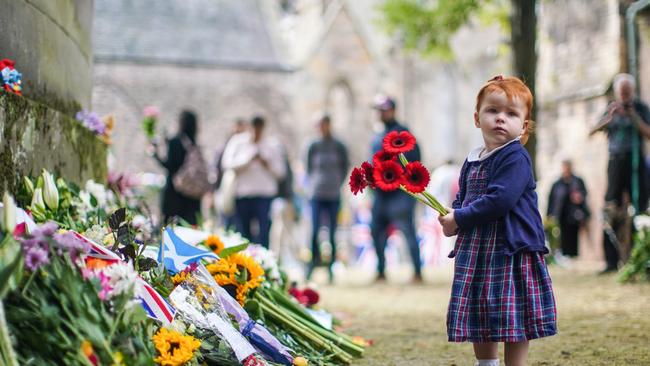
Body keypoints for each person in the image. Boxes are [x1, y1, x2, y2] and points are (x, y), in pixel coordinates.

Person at [438, 76, 557, 366]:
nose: (501, 118)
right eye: (493, 111)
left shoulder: (515, 157)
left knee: (512, 312)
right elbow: (464, 196)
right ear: (477, 118)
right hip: (478, 249)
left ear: (524, 126)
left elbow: (499, 200)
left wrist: (460, 218)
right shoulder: (473, 159)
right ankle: (486, 362)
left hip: (509, 248)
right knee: (481, 308)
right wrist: (453, 216)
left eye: (512, 114)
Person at [589, 73, 650, 273]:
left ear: (632, 91)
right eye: (621, 92)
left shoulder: (640, 108)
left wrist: (634, 117)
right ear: (617, 92)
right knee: (610, 207)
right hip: (615, 161)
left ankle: (639, 256)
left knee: (640, 205)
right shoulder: (611, 108)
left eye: (627, 91)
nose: (624, 95)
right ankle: (610, 261)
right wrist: (609, 118)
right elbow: (592, 131)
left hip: (636, 161)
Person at [370, 95, 423, 283]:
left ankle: (417, 272)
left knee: (407, 231)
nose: (380, 113)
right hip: (380, 194)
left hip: (400, 193)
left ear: (392, 110)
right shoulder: (376, 135)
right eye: (378, 110)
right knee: (376, 232)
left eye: (383, 109)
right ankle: (381, 271)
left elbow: (414, 160)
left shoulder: (403, 133)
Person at [221, 116, 286, 248]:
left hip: (264, 195)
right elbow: (226, 164)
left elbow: (281, 172)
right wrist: (247, 160)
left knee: (264, 233)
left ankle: (263, 264)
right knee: (243, 233)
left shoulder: (272, 145)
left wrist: (266, 164)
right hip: (243, 195)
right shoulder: (238, 142)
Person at [305, 114, 349, 282]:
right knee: (315, 230)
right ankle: (312, 265)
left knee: (332, 231)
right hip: (316, 194)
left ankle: (331, 267)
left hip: (333, 194)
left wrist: (336, 182)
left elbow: (344, 167)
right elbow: (309, 168)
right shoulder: (313, 146)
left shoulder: (338, 146)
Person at [152, 109, 202, 225]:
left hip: (173, 192)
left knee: (169, 228)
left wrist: (155, 154)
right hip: (191, 193)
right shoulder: (193, 143)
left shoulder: (175, 141)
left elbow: (170, 165)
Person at [547, 160, 589, 258]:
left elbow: (584, 194)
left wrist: (580, 197)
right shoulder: (557, 183)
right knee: (561, 235)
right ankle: (562, 254)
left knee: (573, 235)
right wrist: (549, 214)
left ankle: (573, 255)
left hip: (574, 214)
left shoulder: (577, 181)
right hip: (560, 214)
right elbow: (552, 199)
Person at [213, 119, 246, 229]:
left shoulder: (247, 148)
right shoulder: (224, 148)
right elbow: (217, 170)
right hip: (226, 191)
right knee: (226, 224)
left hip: (242, 194)